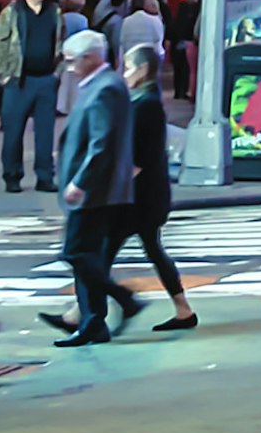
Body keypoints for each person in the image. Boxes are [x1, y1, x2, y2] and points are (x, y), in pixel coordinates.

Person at [51, 21, 137, 343]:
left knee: (76, 252)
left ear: (90, 58)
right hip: (94, 188)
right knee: (82, 253)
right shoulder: (98, 86)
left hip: (96, 191)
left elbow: (101, 144)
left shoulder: (105, 89)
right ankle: (93, 321)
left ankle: (119, 301)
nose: (70, 69)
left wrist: (81, 182)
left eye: (73, 61)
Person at [117, 40, 198, 330]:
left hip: (141, 197)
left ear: (142, 69)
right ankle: (183, 310)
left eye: (128, 68)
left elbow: (140, 157)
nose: (124, 74)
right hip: (149, 196)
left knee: (99, 251)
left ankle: (81, 313)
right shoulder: (144, 99)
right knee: (151, 248)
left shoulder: (146, 104)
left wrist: (114, 186)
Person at [0, 0, 65, 198]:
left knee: (45, 133)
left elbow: (61, 43)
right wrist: (5, 75)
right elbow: (0, 44)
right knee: (13, 132)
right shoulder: (13, 12)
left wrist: (57, 73)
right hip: (19, 80)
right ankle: (12, 175)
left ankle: (45, 176)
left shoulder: (54, 12)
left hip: (46, 79)